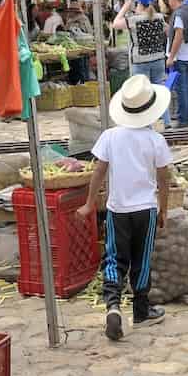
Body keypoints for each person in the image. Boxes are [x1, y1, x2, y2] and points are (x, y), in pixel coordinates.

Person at [79, 74, 174, 341]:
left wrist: (88, 204)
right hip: (146, 210)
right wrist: (163, 209)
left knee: (114, 259)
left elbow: (98, 172)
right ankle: (141, 311)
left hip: (117, 210)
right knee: (141, 261)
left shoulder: (110, 136)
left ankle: (112, 305)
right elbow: (164, 180)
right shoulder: (156, 140)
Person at [115, 0, 170, 107]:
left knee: (140, 95)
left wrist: (125, 7)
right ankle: (167, 122)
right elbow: (169, 31)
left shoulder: (134, 20)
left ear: (139, 4)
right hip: (159, 59)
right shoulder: (160, 17)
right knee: (160, 93)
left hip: (140, 61)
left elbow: (115, 24)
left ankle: (146, 123)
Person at [164, 0, 188, 127]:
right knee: (186, 89)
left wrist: (171, 56)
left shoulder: (179, 13)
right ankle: (186, 118)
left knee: (182, 90)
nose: (168, 2)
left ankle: (184, 120)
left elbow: (178, 35)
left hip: (180, 57)